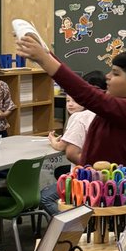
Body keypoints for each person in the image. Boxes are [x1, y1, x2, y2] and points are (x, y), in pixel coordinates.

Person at [18, 35, 126, 172]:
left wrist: (44, 59)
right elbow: (86, 88)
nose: (107, 76)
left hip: (116, 190)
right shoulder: (117, 106)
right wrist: (46, 52)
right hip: (94, 185)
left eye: (115, 73)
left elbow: (87, 93)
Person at [40, 72, 107, 219]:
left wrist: (52, 140)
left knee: (45, 196)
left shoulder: (80, 117)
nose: (70, 104)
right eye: (68, 100)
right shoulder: (109, 113)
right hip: (107, 174)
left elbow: (69, 152)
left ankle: (76, 224)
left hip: (84, 177)